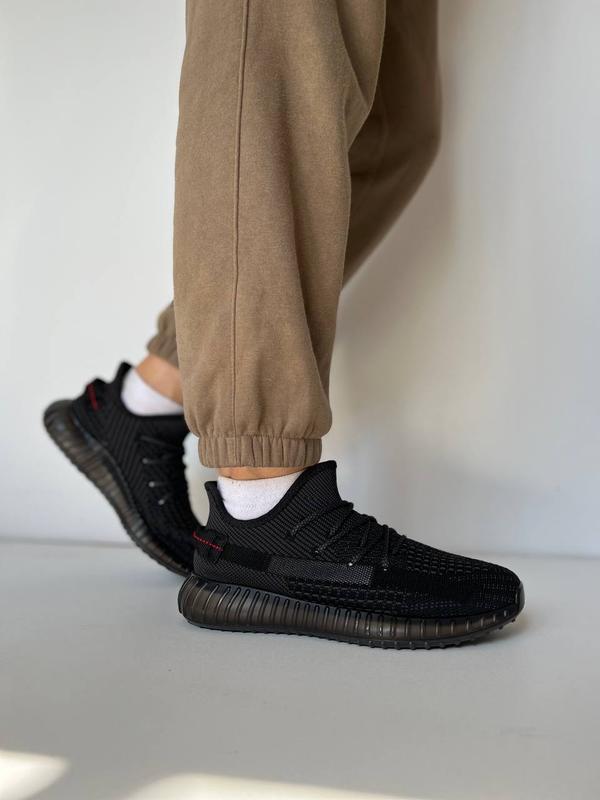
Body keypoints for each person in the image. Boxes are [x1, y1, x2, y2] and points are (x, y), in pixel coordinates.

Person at [44, 0, 524, 648]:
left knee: (391, 131)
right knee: (273, 48)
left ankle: (153, 396)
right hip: (265, 505)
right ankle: (261, 510)